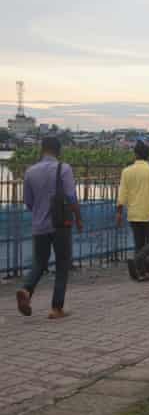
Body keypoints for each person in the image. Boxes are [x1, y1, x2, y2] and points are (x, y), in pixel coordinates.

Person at [16, 137, 83, 319]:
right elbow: (71, 197)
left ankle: (26, 289)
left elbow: (28, 202)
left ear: (42, 149)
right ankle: (56, 308)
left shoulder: (30, 172)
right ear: (58, 151)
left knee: (39, 262)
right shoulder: (64, 168)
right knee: (62, 264)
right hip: (60, 224)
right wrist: (78, 218)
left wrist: (40, 213)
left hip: (39, 225)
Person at [117, 141, 149, 282]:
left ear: (135, 154)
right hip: (148, 213)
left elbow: (122, 193)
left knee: (139, 244)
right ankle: (137, 260)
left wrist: (119, 212)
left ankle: (141, 273)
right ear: (148, 155)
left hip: (132, 213)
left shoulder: (126, 171)